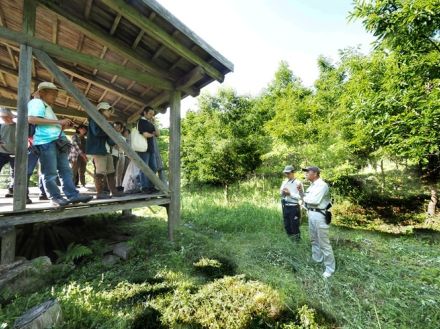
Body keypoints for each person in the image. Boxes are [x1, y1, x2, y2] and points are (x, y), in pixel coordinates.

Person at [27, 81, 93, 207]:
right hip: (45, 142)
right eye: (52, 94)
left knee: (66, 170)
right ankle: (55, 198)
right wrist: (59, 122)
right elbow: (31, 119)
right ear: (42, 93)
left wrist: (61, 126)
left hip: (57, 141)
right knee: (50, 172)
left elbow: (49, 125)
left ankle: (73, 195)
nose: (55, 97)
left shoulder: (47, 106)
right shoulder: (36, 102)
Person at [298, 166, 335, 278]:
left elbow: (314, 200)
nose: (305, 174)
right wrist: (300, 193)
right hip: (312, 214)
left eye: (307, 172)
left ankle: (329, 269)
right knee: (314, 240)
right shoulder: (312, 185)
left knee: (324, 243)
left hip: (320, 215)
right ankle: (317, 260)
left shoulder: (322, 185)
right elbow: (306, 200)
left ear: (315, 173)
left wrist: (303, 198)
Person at [86, 102, 123, 199]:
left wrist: (111, 132)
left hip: (107, 150)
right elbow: (97, 132)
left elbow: (108, 139)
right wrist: (109, 129)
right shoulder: (94, 119)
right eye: (108, 110)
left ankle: (113, 191)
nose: (110, 112)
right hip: (99, 149)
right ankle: (99, 193)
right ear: (101, 110)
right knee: (100, 171)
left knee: (111, 171)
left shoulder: (106, 122)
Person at [137, 107, 160, 193]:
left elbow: (158, 133)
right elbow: (145, 134)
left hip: (151, 148)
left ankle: (151, 186)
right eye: (150, 113)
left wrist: (154, 123)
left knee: (153, 168)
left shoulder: (150, 123)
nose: (151, 115)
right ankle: (144, 187)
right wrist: (152, 134)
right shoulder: (141, 122)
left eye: (152, 114)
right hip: (143, 149)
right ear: (145, 113)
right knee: (144, 168)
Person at [280, 165, 303, 241]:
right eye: (285, 173)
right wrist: (283, 193)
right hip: (285, 206)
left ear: (293, 172)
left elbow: (301, 197)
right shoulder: (284, 182)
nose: (287, 175)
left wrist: (290, 194)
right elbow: (281, 193)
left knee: (294, 225)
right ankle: (290, 241)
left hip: (294, 207)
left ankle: (297, 242)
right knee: (287, 225)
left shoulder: (298, 183)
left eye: (288, 173)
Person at [0, 108, 16, 198]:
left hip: (15, 153)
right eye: (2, 117)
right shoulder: (0, 126)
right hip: (1, 152)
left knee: (16, 173)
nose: (4, 118)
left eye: (5, 117)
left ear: (10, 117)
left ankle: (12, 190)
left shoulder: (18, 126)